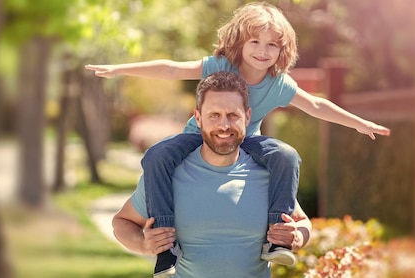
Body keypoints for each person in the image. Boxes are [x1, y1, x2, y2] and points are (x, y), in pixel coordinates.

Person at [86, 1, 390, 276]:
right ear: (239, 42)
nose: (262, 50)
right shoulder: (222, 66)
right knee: (157, 155)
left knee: (285, 155)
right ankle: (165, 243)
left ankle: (277, 237)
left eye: (272, 44)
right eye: (255, 41)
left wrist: (358, 123)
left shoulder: (278, 83)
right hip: (196, 137)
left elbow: (316, 105)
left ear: (282, 49)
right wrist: (120, 69)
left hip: (247, 141)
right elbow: (172, 69)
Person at [112, 71, 312, 278]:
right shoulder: (164, 176)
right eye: (214, 115)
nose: (224, 126)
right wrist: (145, 245)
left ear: (248, 117)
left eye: (233, 115)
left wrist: (297, 237)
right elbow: (122, 222)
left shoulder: (269, 174)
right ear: (198, 118)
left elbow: (303, 222)